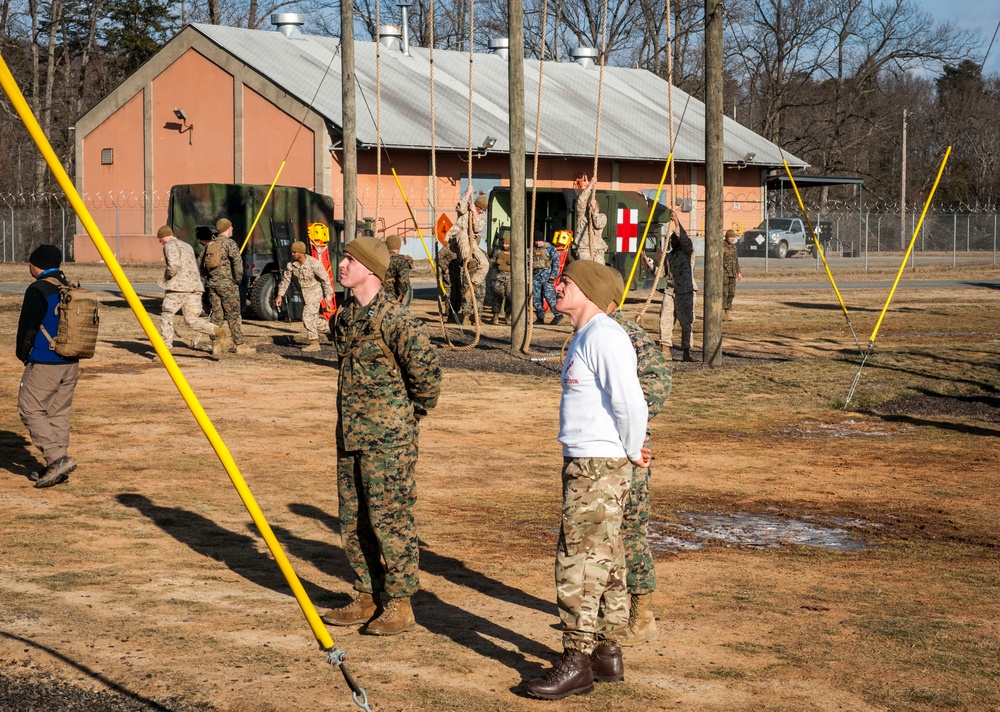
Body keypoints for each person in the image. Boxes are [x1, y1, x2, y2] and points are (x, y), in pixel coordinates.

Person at [524, 259, 649, 700]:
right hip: (589, 460)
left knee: (577, 560)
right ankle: (605, 652)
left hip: (597, 465)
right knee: (607, 558)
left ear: (591, 293)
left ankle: (576, 660)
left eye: (567, 282)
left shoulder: (605, 336)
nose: (557, 287)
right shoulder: (587, 335)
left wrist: (633, 450)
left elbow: (631, 403)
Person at [322, 237, 442, 636]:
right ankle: (367, 595)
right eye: (343, 258)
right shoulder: (344, 318)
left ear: (371, 270)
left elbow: (427, 380)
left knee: (390, 521)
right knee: (353, 519)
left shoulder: (398, 320)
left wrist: (405, 418)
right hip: (351, 434)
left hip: (389, 441)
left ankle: (400, 603)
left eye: (350, 261)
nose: (342, 265)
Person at [605, 267, 672, 646]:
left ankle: (642, 611)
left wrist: (631, 422)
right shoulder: (592, 331)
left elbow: (658, 378)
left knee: (629, 527)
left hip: (628, 449)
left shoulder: (625, 333)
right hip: (598, 449)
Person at [16, 245, 81, 488]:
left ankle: (56, 458)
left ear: (36, 265)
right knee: (58, 412)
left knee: (30, 408)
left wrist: (23, 355)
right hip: (71, 361)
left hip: (45, 361)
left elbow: (28, 328)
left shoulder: (38, 289)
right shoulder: (69, 287)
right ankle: (56, 467)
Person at [155, 226, 224, 353]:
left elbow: (174, 265)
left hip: (179, 288)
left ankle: (165, 348)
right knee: (192, 319)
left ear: (164, 237)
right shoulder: (187, 246)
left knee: (167, 315)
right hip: (195, 287)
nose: (160, 242)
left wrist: (167, 277)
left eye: (160, 239)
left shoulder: (170, 245)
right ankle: (215, 330)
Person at [199, 218, 255, 355]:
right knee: (234, 315)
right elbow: (237, 263)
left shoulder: (210, 244)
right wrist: (237, 279)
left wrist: (209, 278)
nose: (232, 229)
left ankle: (216, 344)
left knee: (216, 316)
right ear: (226, 229)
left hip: (213, 285)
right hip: (228, 286)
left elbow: (200, 264)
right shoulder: (230, 243)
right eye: (230, 227)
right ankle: (240, 345)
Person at [275, 240, 334, 352]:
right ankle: (333, 327)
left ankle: (314, 343)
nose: (292, 254)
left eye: (295, 252)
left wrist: (328, 299)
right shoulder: (292, 265)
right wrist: (280, 295)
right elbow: (286, 280)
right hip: (304, 295)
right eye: (292, 252)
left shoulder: (314, 264)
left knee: (306, 317)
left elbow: (325, 280)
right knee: (314, 319)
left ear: (301, 253)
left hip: (315, 293)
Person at [445, 187, 488, 324]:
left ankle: (473, 285)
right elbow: (459, 208)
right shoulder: (467, 208)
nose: (481, 211)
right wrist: (467, 194)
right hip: (457, 239)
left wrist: (476, 214)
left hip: (470, 242)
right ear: (476, 205)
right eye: (480, 208)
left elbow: (477, 228)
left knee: (485, 263)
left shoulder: (480, 215)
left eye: (483, 210)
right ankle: (466, 260)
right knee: (463, 233)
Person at [660, 223, 697, 361]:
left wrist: (677, 223)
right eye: (671, 239)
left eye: (675, 238)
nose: (672, 241)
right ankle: (665, 349)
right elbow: (662, 273)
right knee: (665, 320)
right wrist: (648, 263)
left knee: (686, 322)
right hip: (670, 291)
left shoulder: (688, 253)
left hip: (685, 291)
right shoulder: (669, 256)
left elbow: (686, 241)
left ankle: (686, 352)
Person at [574, 176, 608, 263]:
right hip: (584, 249)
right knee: (587, 271)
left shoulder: (602, 217)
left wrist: (595, 212)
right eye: (590, 205)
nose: (591, 206)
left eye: (594, 205)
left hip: (598, 249)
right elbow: (581, 202)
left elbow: (598, 224)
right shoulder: (582, 218)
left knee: (599, 271)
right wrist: (590, 185)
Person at [532, 233, 563, 325]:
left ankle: (558, 314)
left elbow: (556, 263)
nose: (538, 243)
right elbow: (528, 262)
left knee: (550, 296)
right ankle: (540, 317)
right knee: (536, 298)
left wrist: (553, 275)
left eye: (539, 241)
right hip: (535, 276)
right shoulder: (531, 249)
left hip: (547, 276)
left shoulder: (550, 248)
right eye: (536, 241)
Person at [487, 235, 512, 324]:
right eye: (504, 244)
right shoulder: (498, 251)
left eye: (507, 244)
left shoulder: (515, 253)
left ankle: (507, 317)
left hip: (510, 279)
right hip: (499, 277)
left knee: (510, 298)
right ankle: (495, 317)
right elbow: (491, 262)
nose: (505, 245)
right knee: (497, 297)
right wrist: (496, 261)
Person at [384, 235, 412, 305]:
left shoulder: (377, 257)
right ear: (399, 246)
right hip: (392, 298)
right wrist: (401, 295)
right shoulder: (400, 260)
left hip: (375, 295)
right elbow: (403, 281)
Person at [723, 229, 743, 319]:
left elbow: (736, 261)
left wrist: (739, 272)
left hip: (732, 273)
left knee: (731, 293)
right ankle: (721, 312)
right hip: (724, 273)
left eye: (733, 237)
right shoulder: (721, 246)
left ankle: (727, 312)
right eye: (730, 237)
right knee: (724, 293)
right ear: (726, 237)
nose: (732, 239)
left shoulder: (734, 247)